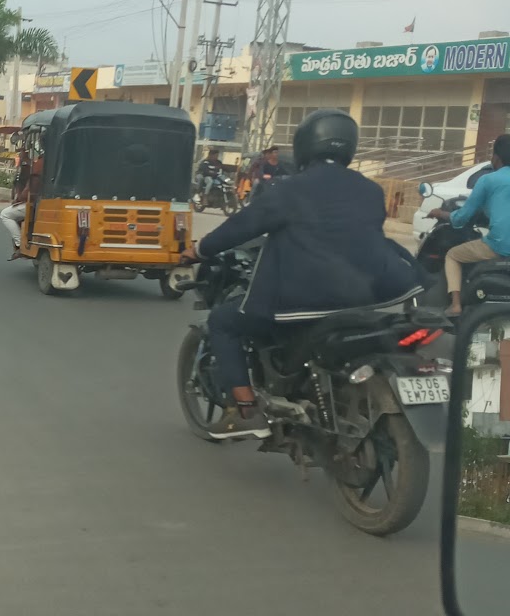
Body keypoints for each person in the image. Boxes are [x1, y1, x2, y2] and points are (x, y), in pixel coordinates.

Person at [184, 110, 421, 440]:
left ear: (305, 145)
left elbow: (241, 227)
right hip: (365, 297)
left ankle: (247, 411)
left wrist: (199, 250)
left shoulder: (288, 189)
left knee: (224, 321)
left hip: (301, 301)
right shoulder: (370, 190)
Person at [431, 133, 510, 315]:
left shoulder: (488, 180)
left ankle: (455, 305)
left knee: (452, 255)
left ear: (496, 158)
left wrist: (440, 213)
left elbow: (461, 218)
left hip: (499, 247)